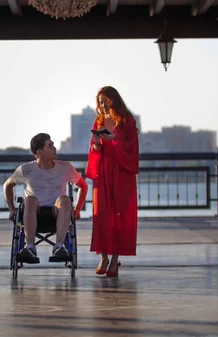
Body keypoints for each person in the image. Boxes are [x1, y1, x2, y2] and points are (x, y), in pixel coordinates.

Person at [3, 133, 88, 263]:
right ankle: (30, 247)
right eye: (50, 145)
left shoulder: (65, 167)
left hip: (57, 212)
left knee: (65, 199)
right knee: (30, 199)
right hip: (33, 212)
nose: (55, 148)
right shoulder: (26, 169)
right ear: (39, 152)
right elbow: (7, 185)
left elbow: (83, 186)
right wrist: (11, 209)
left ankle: (59, 246)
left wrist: (77, 210)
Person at [86, 86, 139, 277]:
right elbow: (94, 151)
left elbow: (132, 148)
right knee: (101, 213)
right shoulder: (99, 120)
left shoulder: (127, 120)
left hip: (122, 171)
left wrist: (114, 139)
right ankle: (104, 256)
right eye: (100, 101)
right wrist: (97, 143)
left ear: (114, 100)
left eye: (105, 101)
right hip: (103, 172)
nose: (102, 105)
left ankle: (115, 259)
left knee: (119, 214)